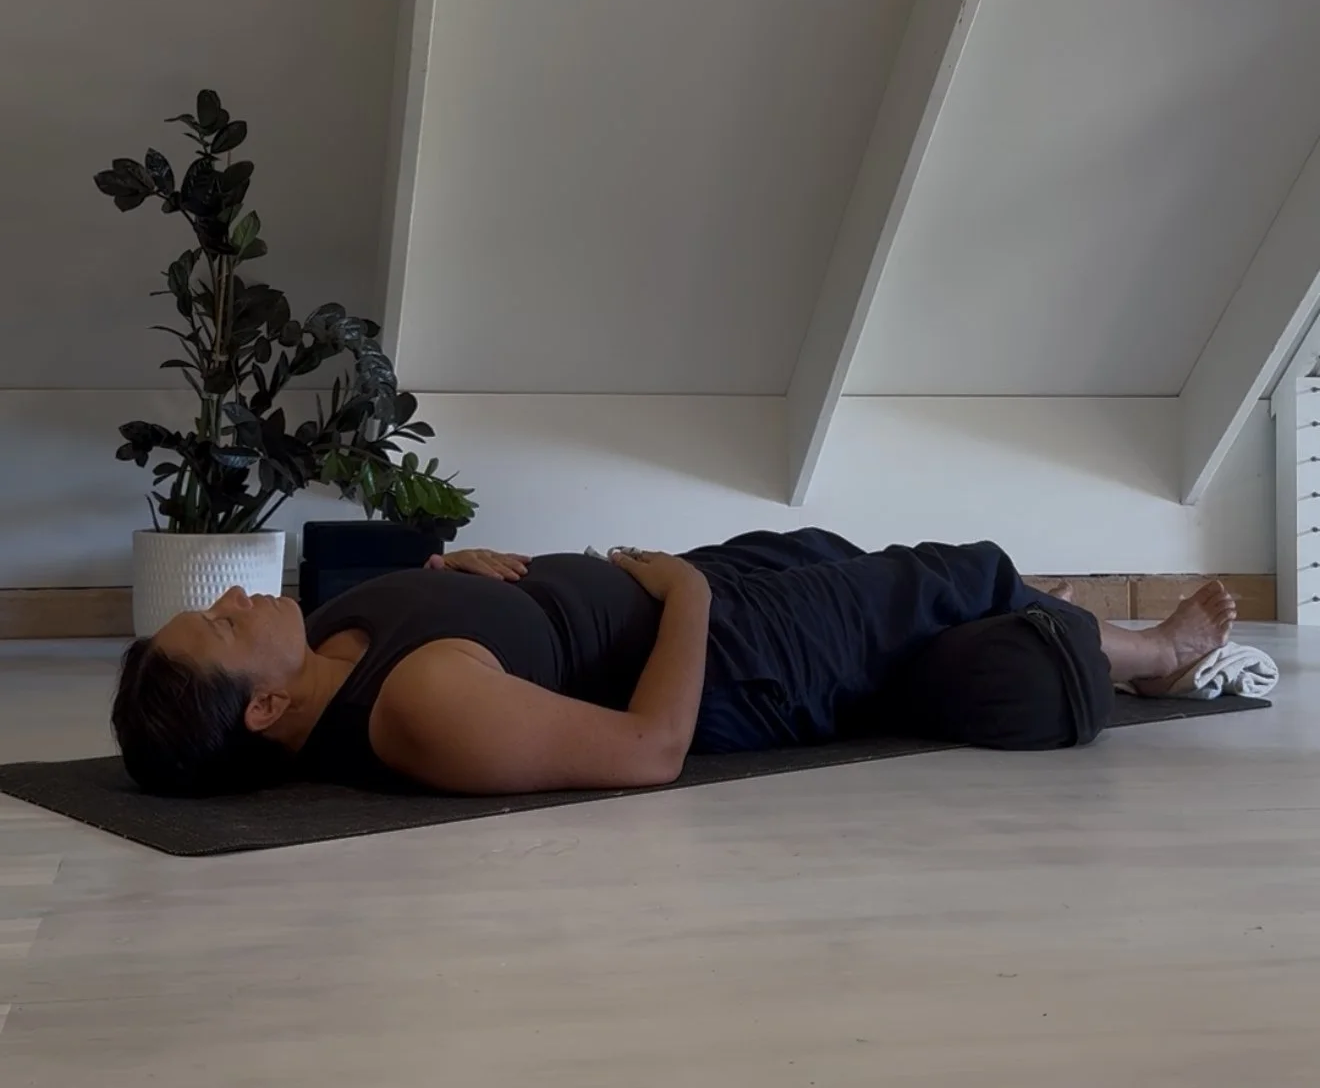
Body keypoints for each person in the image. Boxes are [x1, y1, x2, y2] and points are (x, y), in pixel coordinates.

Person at [111, 529, 1238, 798]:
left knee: (833, 552)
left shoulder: (332, 636)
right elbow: (651, 751)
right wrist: (688, 597)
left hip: (677, 595)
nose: (236, 596)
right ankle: (1153, 656)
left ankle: (1062, 627)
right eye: (218, 625)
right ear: (262, 708)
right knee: (957, 568)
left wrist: (462, 568)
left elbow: (494, 633)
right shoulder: (421, 706)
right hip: (733, 658)